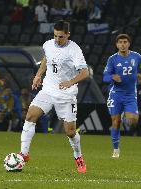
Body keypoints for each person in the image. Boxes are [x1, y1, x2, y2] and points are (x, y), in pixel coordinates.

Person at [18, 20, 89, 173]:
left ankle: (78, 156)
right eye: (55, 36)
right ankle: (23, 154)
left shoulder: (74, 50)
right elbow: (47, 59)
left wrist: (71, 82)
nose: (57, 39)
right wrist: (38, 75)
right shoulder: (48, 44)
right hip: (48, 90)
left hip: (66, 95)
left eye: (61, 37)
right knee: (30, 116)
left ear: (68, 35)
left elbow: (85, 73)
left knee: (70, 132)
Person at [103, 34, 141, 158]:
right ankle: (116, 149)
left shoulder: (136, 57)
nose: (122, 44)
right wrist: (112, 77)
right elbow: (105, 77)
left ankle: (124, 115)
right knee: (115, 122)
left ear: (129, 44)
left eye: (125, 42)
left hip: (130, 95)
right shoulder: (112, 59)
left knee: (132, 121)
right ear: (116, 45)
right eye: (120, 42)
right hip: (116, 94)